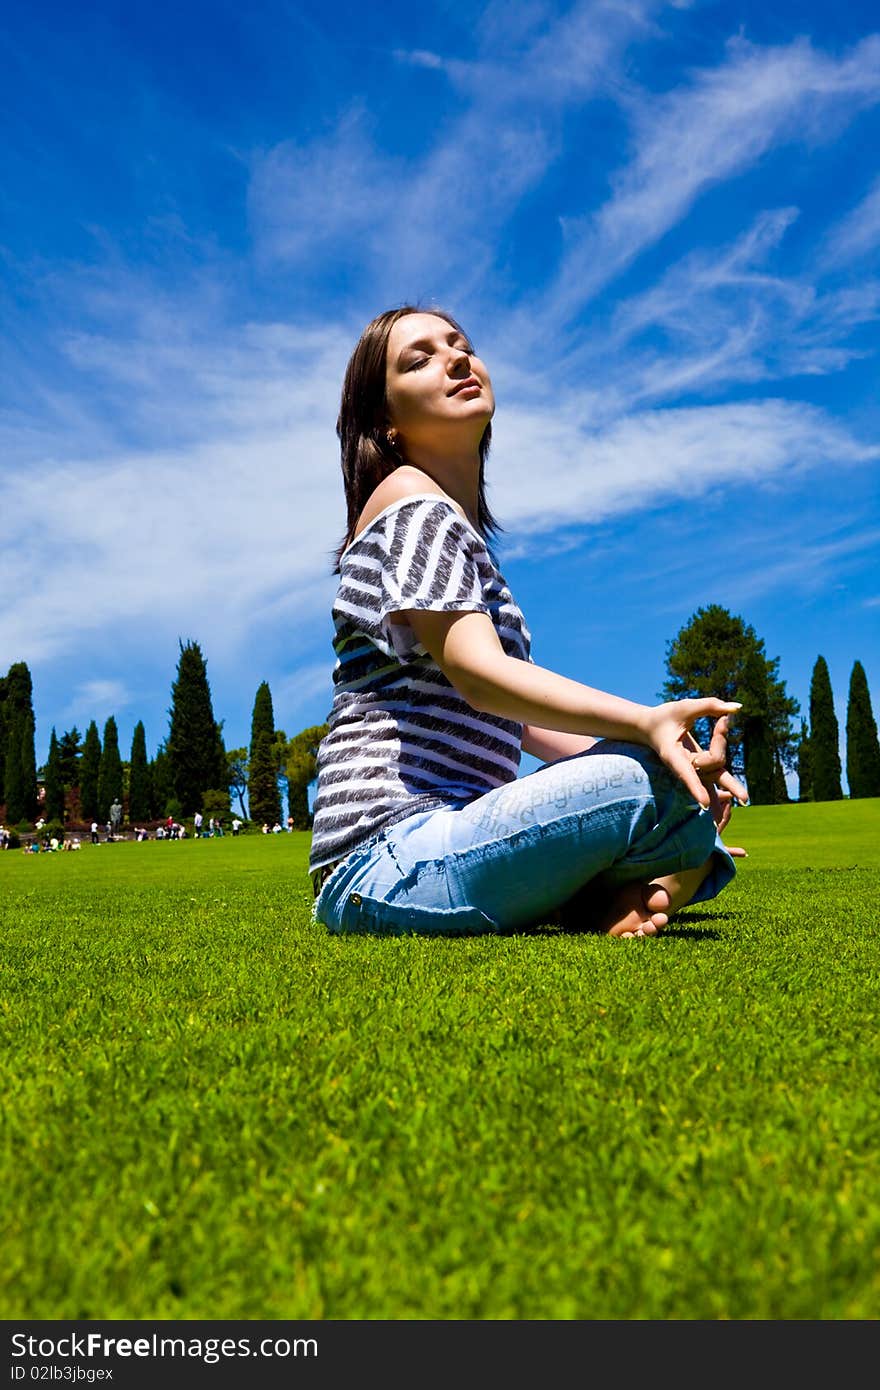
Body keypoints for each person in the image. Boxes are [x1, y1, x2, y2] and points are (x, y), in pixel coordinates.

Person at [309, 306, 747, 940]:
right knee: (649, 789)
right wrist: (646, 725)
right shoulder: (410, 499)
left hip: (448, 844)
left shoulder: (451, 527)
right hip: (383, 860)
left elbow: (520, 720)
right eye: (420, 358)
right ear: (386, 423)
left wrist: (671, 753)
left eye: (460, 345)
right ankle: (617, 887)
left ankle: (603, 901)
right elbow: (482, 677)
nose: (457, 359)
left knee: (680, 794)